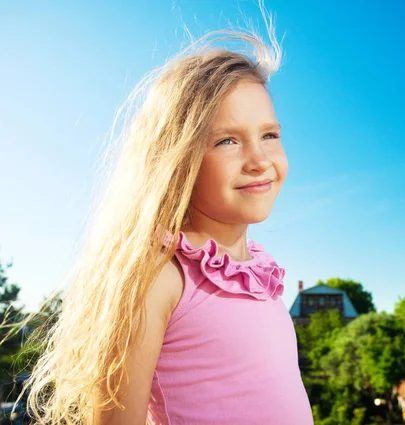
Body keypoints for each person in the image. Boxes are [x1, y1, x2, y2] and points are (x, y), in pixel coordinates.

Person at [24, 11, 313, 425]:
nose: (259, 160)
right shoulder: (161, 277)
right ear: (176, 160)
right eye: (227, 140)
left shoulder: (260, 275)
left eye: (269, 135)